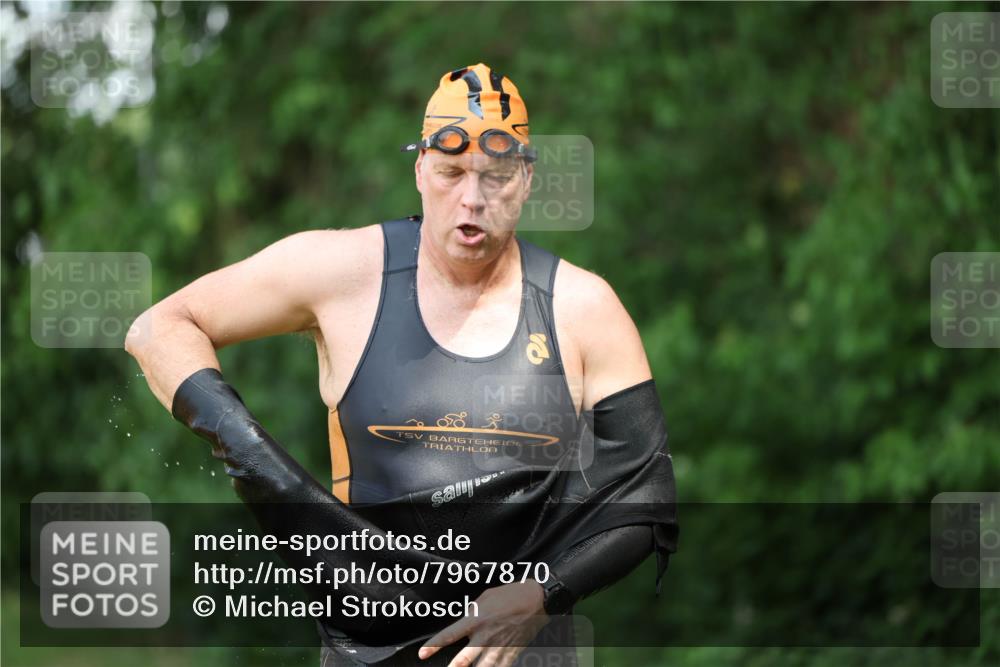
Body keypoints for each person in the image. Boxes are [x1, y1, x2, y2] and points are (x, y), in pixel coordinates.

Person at [125, 63, 677, 667]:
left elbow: (646, 499)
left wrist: (543, 595)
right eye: (450, 173)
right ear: (419, 171)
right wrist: (255, 458)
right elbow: (159, 328)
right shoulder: (344, 275)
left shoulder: (582, 308)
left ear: (525, 180)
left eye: (495, 177)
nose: (471, 198)